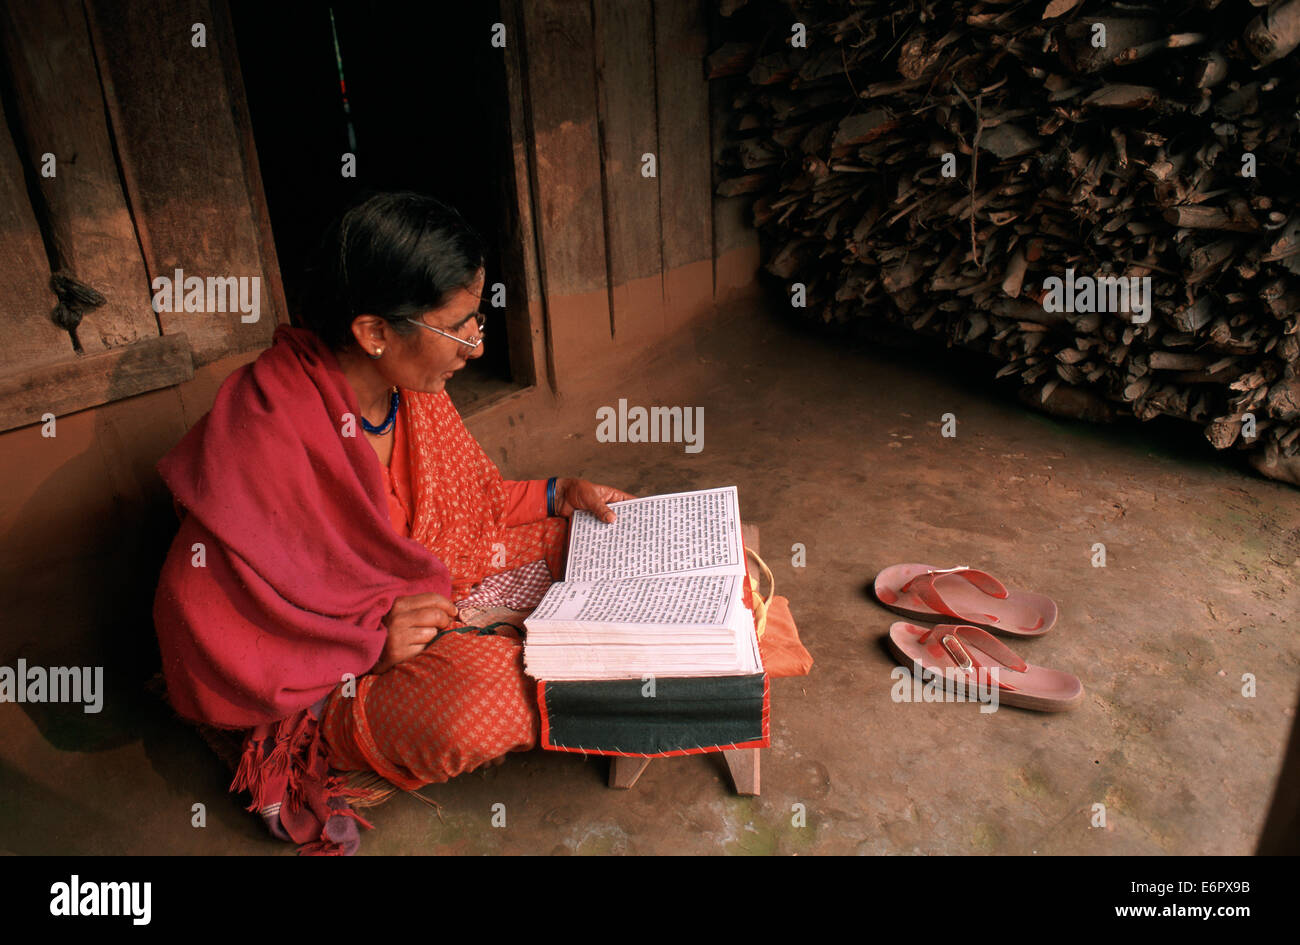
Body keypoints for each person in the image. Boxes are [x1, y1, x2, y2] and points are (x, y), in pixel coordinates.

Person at [152, 191, 634, 854]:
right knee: (487, 700)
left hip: (423, 594)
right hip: (331, 676)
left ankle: (511, 630)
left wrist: (561, 492)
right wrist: (367, 644)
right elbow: (204, 611)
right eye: (457, 326)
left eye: (477, 318)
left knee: (599, 537)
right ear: (374, 332)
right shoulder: (271, 427)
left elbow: (470, 503)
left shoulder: (411, 396)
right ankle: (375, 713)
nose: (476, 344)